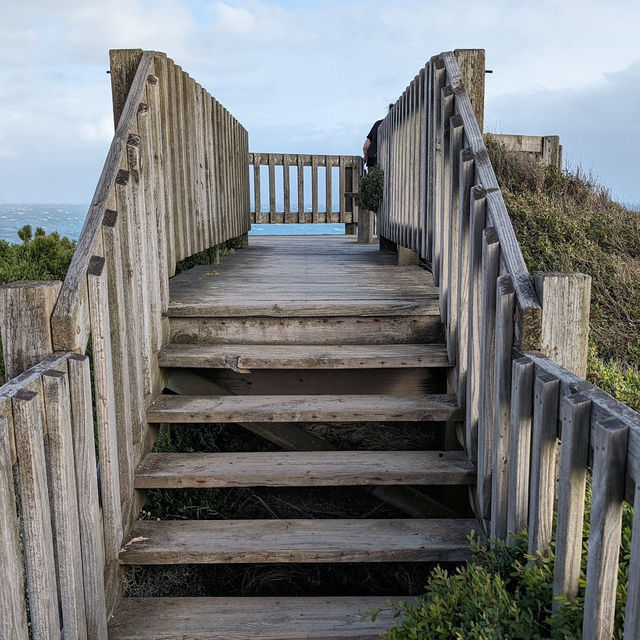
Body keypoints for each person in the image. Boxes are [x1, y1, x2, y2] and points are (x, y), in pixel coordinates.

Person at [363, 104, 393, 169]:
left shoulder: (378, 123)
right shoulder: (398, 125)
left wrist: (366, 158)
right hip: (390, 161)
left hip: (373, 159)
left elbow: (365, 147)